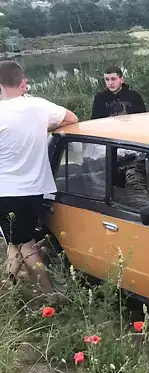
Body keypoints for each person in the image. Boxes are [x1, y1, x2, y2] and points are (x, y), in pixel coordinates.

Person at [0, 60, 78, 293]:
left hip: (6, 191)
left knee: (24, 244)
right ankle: (7, 287)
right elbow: (72, 119)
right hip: (35, 188)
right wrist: (37, 129)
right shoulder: (38, 106)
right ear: (21, 80)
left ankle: (51, 295)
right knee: (18, 240)